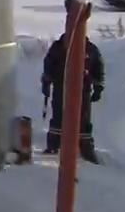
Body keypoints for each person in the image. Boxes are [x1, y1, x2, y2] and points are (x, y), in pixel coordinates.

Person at [41, 31, 105, 163]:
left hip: (83, 89)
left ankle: (85, 147)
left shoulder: (89, 49)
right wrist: (46, 83)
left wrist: (98, 87)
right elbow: (48, 65)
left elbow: (98, 67)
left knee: (83, 118)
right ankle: (54, 144)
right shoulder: (59, 47)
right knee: (58, 115)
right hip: (61, 87)